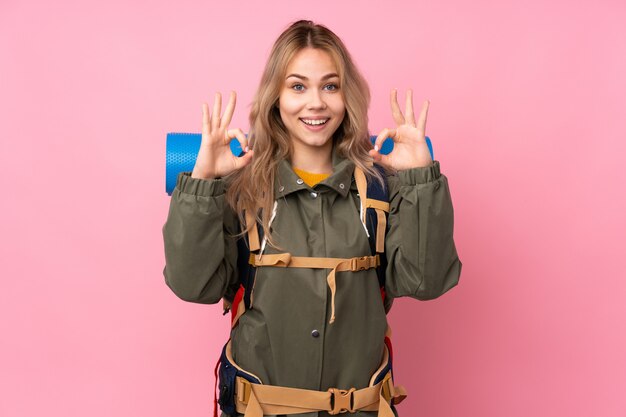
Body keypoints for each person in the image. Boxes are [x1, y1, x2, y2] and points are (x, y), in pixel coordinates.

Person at [162, 19, 462, 417]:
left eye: (330, 86)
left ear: (346, 96)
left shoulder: (381, 188)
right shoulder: (241, 188)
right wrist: (203, 182)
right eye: (298, 86)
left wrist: (419, 180)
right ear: (276, 98)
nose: (316, 103)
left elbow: (426, 282)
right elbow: (193, 286)